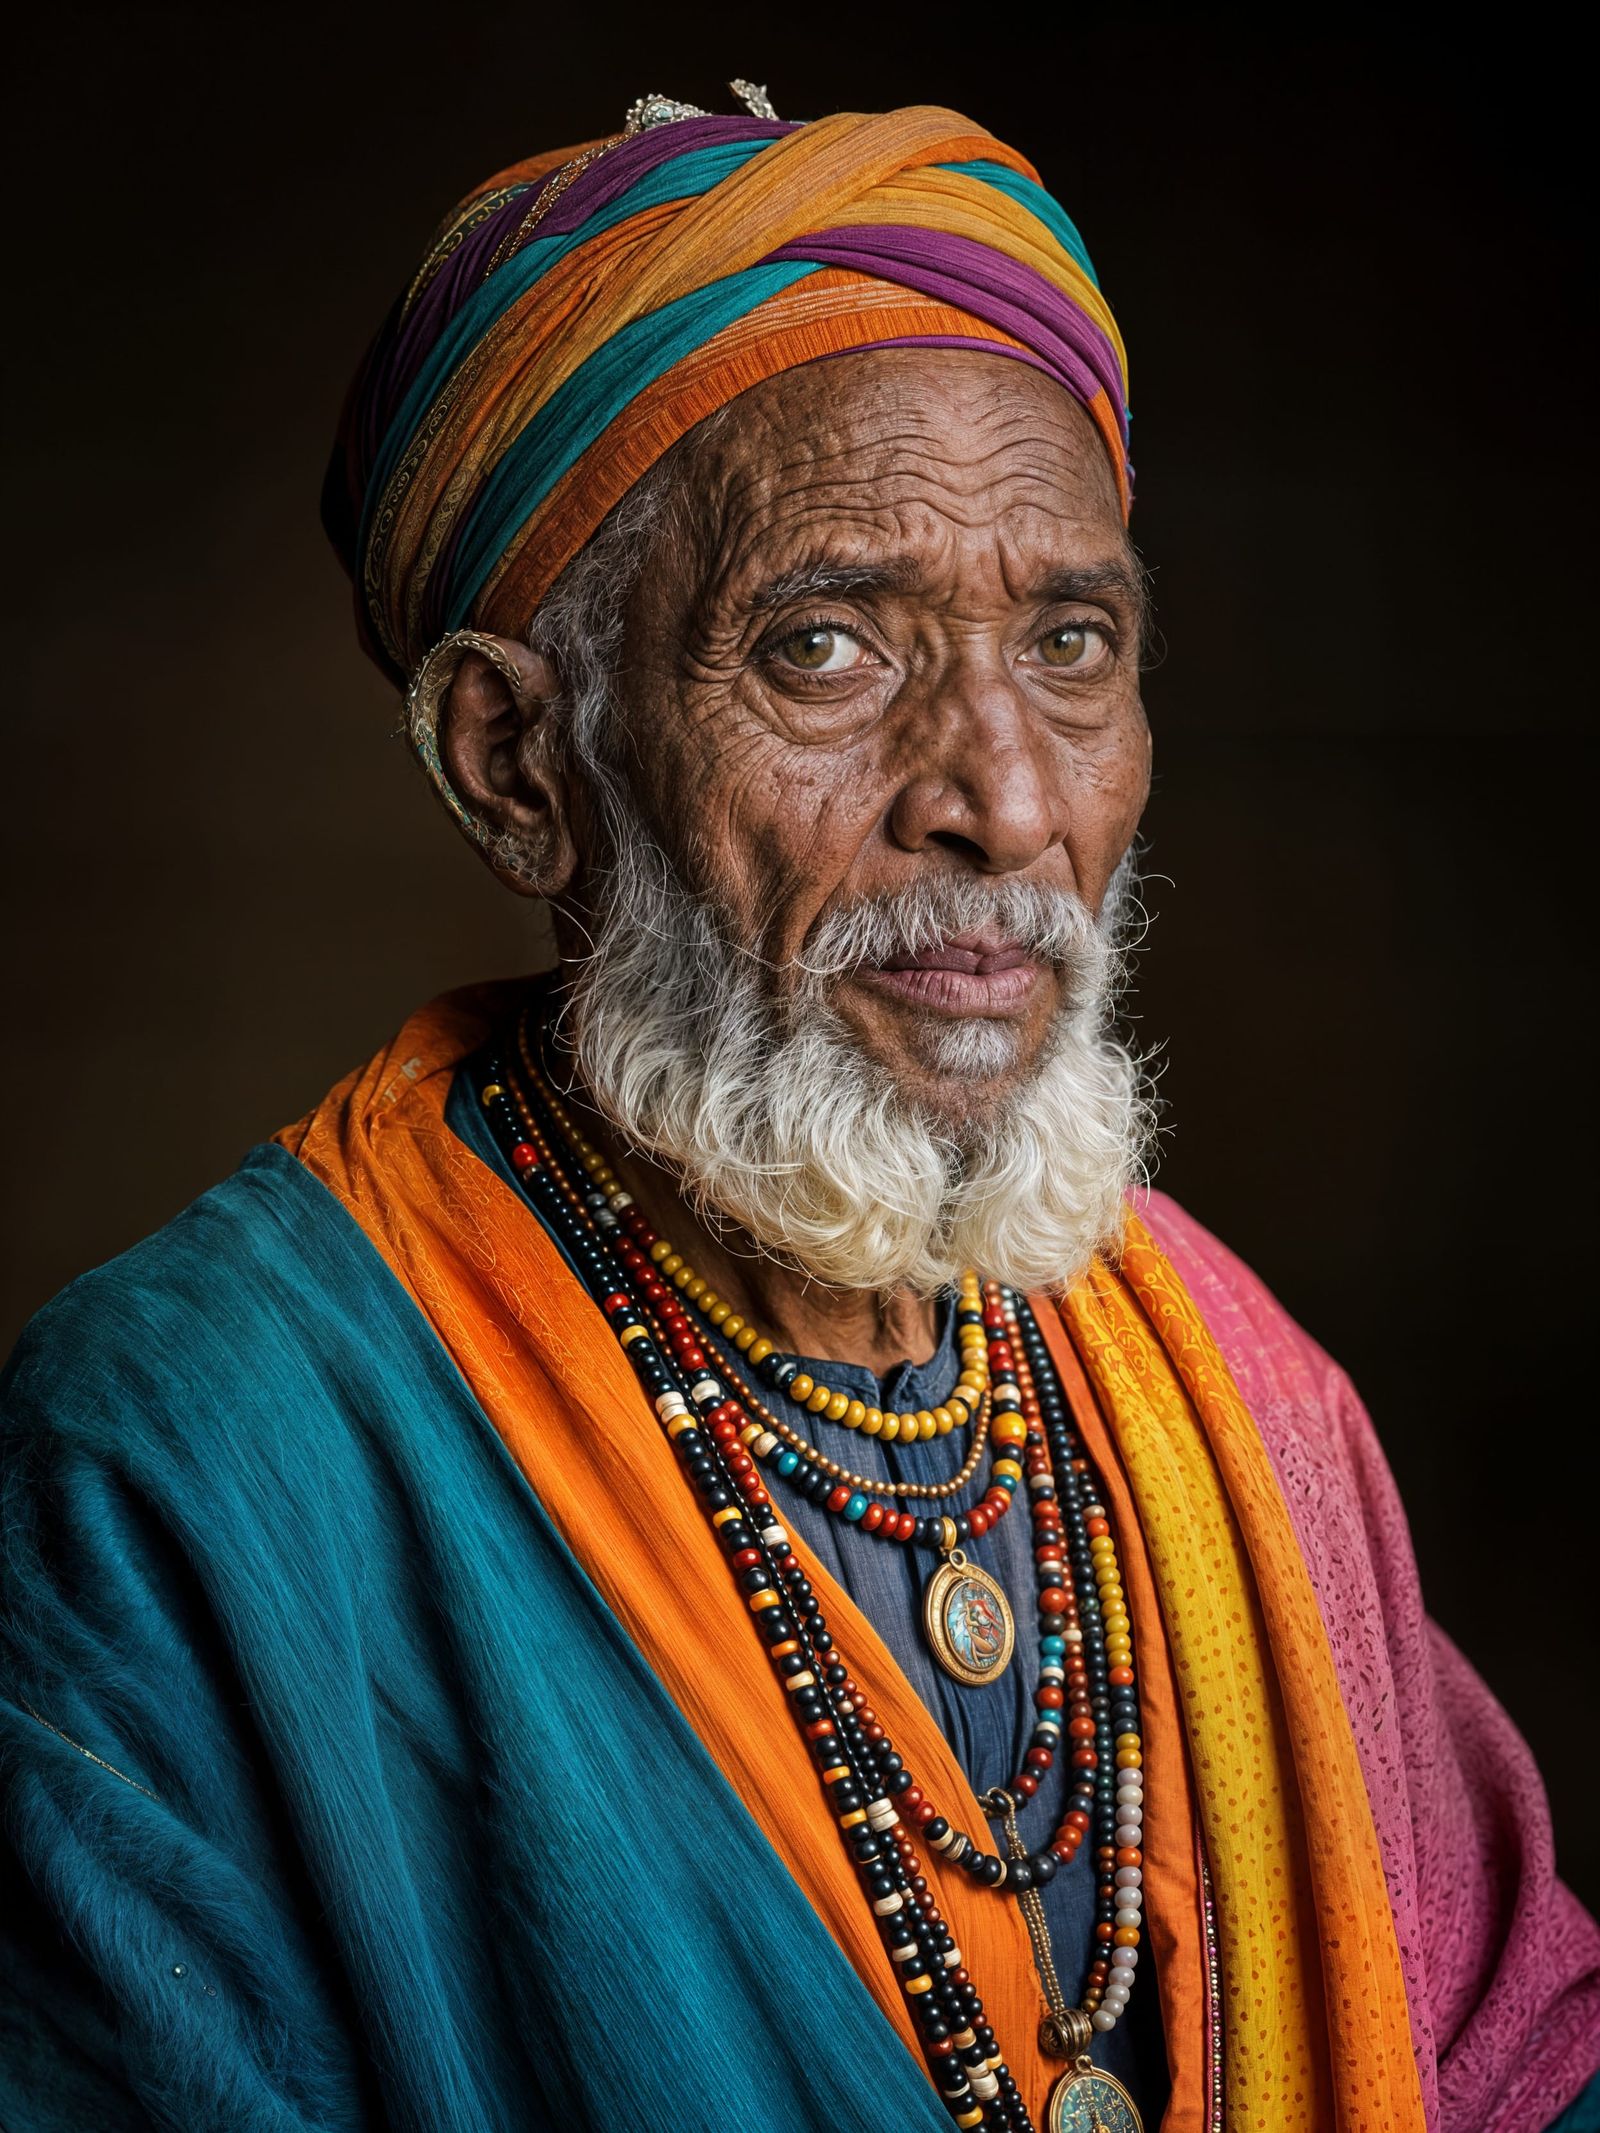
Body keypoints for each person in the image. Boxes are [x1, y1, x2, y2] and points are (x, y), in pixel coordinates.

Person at [3, 86, 1596, 2133]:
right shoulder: (194, 1456)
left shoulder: (1243, 1399)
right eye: (825, 644)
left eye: (1071, 642)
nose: (1004, 797)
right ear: (516, 760)